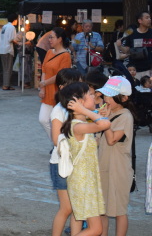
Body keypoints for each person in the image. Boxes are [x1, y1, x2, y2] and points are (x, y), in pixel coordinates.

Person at [59, 83, 111, 236]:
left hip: (84, 181)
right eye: (89, 94)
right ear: (79, 103)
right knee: (96, 229)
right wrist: (88, 112)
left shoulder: (80, 123)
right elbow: (105, 124)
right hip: (83, 182)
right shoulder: (78, 127)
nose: (93, 96)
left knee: (79, 219)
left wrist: (93, 112)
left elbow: (102, 121)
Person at [96, 76, 136, 236]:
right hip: (104, 166)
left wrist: (104, 120)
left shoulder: (125, 116)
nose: (106, 99)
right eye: (106, 95)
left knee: (119, 210)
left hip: (118, 170)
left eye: (111, 96)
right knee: (102, 210)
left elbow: (112, 139)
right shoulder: (109, 112)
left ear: (124, 98)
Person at [49, 68, 83, 236]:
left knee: (77, 207)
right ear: (62, 87)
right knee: (67, 207)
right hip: (61, 164)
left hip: (76, 163)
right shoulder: (58, 110)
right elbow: (56, 140)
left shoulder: (77, 107)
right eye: (74, 84)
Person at [39, 27, 72, 142]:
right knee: (43, 119)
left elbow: (60, 75)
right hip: (47, 90)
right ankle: (56, 143)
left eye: (52, 37)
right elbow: (44, 69)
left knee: (56, 120)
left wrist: (44, 83)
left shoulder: (66, 56)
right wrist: (43, 87)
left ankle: (57, 145)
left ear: (60, 39)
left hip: (58, 91)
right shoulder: (49, 52)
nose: (49, 40)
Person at [120, 11, 152, 79]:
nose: (149, 20)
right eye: (147, 18)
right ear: (140, 20)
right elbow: (127, 51)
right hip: (134, 70)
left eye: (150, 18)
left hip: (149, 69)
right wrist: (119, 45)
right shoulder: (131, 33)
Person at [0, 13, 18, 90]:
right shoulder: (12, 27)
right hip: (8, 50)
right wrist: (17, 42)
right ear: (14, 20)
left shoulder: (4, 26)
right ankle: (6, 85)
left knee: (5, 68)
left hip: (2, 49)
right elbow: (11, 39)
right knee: (8, 68)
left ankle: (6, 84)